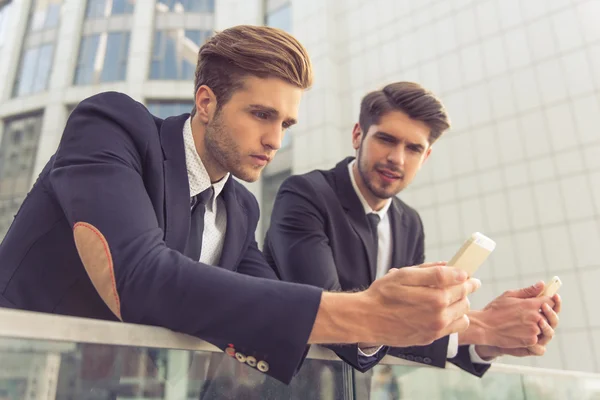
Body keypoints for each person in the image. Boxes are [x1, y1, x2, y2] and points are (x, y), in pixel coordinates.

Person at [0, 28, 480, 387]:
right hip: (20, 376)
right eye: (261, 115)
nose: (274, 140)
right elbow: (136, 275)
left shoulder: (241, 208)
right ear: (206, 102)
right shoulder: (114, 125)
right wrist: (368, 311)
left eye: (286, 123)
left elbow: (280, 305)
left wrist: (432, 326)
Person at [263, 82, 561, 378]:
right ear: (358, 135)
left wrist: (493, 341)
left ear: (426, 156)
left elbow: (412, 330)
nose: (397, 158)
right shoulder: (305, 194)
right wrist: (482, 326)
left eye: (414, 148)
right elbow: (330, 317)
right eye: (386, 139)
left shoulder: (409, 223)